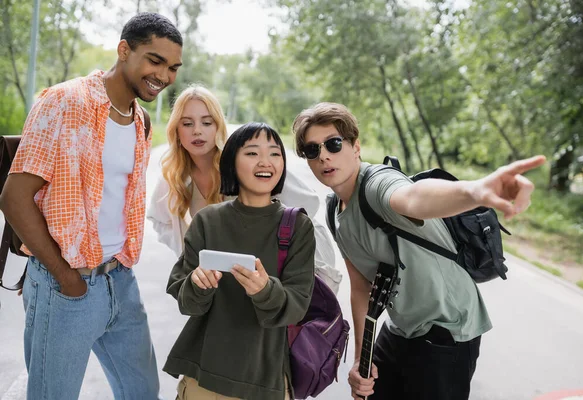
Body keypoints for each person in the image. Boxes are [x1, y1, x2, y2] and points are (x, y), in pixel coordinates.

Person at [292, 102, 546, 400]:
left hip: (447, 328)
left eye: (333, 144)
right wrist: (363, 358)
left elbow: (413, 198)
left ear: (356, 146)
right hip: (402, 328)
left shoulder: (377, 185)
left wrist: (475, 191)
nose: (323, 155)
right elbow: (361, 286)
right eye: (312, 150)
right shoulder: (335, 211)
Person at [0, 13, 183, 400]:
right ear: (123, 50)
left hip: (121, 279)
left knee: (142, 392)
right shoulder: (65, 101)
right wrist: (64, 276)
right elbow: (14, 197)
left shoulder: (141, 121)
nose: (165, 75)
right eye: (155, 60)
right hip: (67, 284)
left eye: (173, 67)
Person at [164, 122, 316, 400]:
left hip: (264, 382)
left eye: (274, 153)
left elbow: (297, 306)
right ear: (232, 161)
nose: (265, 162)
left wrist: (264, 290)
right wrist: (197, 283)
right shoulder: (208, 221)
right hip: (204, 378)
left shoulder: (298, 226)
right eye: (252, 153)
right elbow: (186, 300)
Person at [147, 85, 341, 292]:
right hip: (228, 280)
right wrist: (194, 254)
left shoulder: (243, 160)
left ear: (218, 126)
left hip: (281, 273)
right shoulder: (175, 175)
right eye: (187, 123)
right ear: (176, 130)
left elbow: (307, 206)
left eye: (206, 122)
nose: (197, 130)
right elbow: (159, 220)